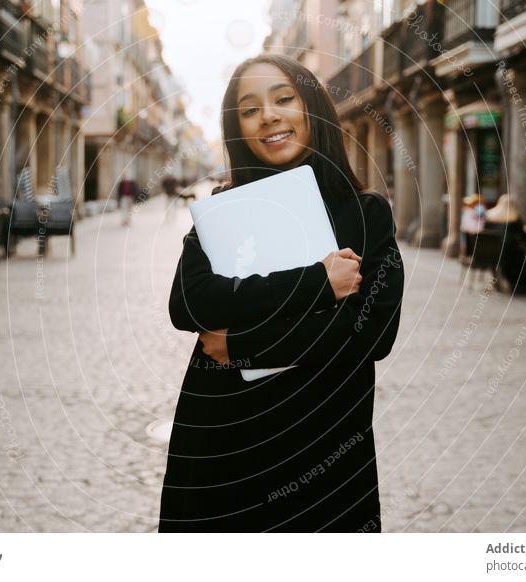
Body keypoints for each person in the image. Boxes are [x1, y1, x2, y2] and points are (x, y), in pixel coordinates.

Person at [158, 54, 404, 532]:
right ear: (238, 129)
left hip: (325, 443)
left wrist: (238, 343)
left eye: (283, 98)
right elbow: (189, 302)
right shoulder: (223, 208)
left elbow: (370, 333)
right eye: (249, 109)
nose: (268, 115)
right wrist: (318, 282)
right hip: (222, 439)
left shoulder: (367, 214)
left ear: (312, 106)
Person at [483, 193, 526, 293]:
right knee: (521, 256)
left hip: (489, 254)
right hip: (508, 254)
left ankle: (501, 281)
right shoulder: (514, 218)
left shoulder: (489, 216)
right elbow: (523, 237)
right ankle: (517, 284)